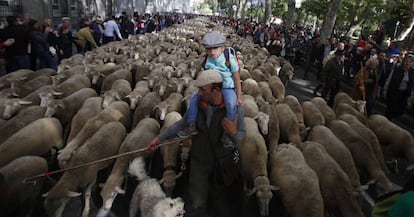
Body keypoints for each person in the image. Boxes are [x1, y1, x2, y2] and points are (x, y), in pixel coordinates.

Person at [146, 69, 246, 217]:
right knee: (197, 200)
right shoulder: (197, 106)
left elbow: (242, 135)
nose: (199, 93)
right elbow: (181, 124)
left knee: (221, 201)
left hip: (222, 163)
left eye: (203, 89)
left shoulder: (235, 108)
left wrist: (233, 133)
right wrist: (160, 138)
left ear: (216, 89)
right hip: (200, 160)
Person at [177, 32, 242, 147]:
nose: (212, 51)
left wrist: (239, 96)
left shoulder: (230, 59)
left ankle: (227, 134)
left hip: (227, 87)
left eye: (215, 48)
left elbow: (236, 79)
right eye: (209, 49)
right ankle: (191, 125)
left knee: (231, 104)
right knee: (193, 98)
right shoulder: (207, 59)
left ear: (222, 48)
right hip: (210, 87)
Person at [384, 55, 414, 120]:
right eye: (406, 62)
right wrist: (385, 90)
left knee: (401, 110)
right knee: (390, 109)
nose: (407, 63)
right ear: (403, 62)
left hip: (403, 94)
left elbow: (411, 85)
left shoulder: (411, 73)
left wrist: (410, 96)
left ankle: (390, 117)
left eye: (409, 62)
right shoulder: (396, 70)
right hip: (394, 92)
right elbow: (389, 80)